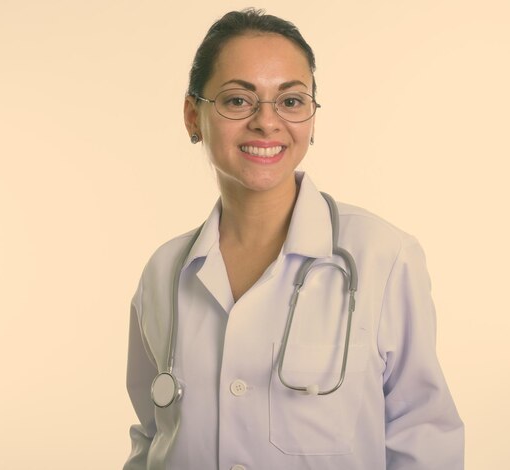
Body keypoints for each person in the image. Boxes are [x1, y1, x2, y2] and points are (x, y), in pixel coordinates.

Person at [123, 8, 463, 470]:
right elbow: (151, 437)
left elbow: (424, 438)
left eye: (290, 101)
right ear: (192, 116)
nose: (267, 122)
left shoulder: (382, 255)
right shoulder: (164, 272)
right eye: (238, 100)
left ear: (312, 118)